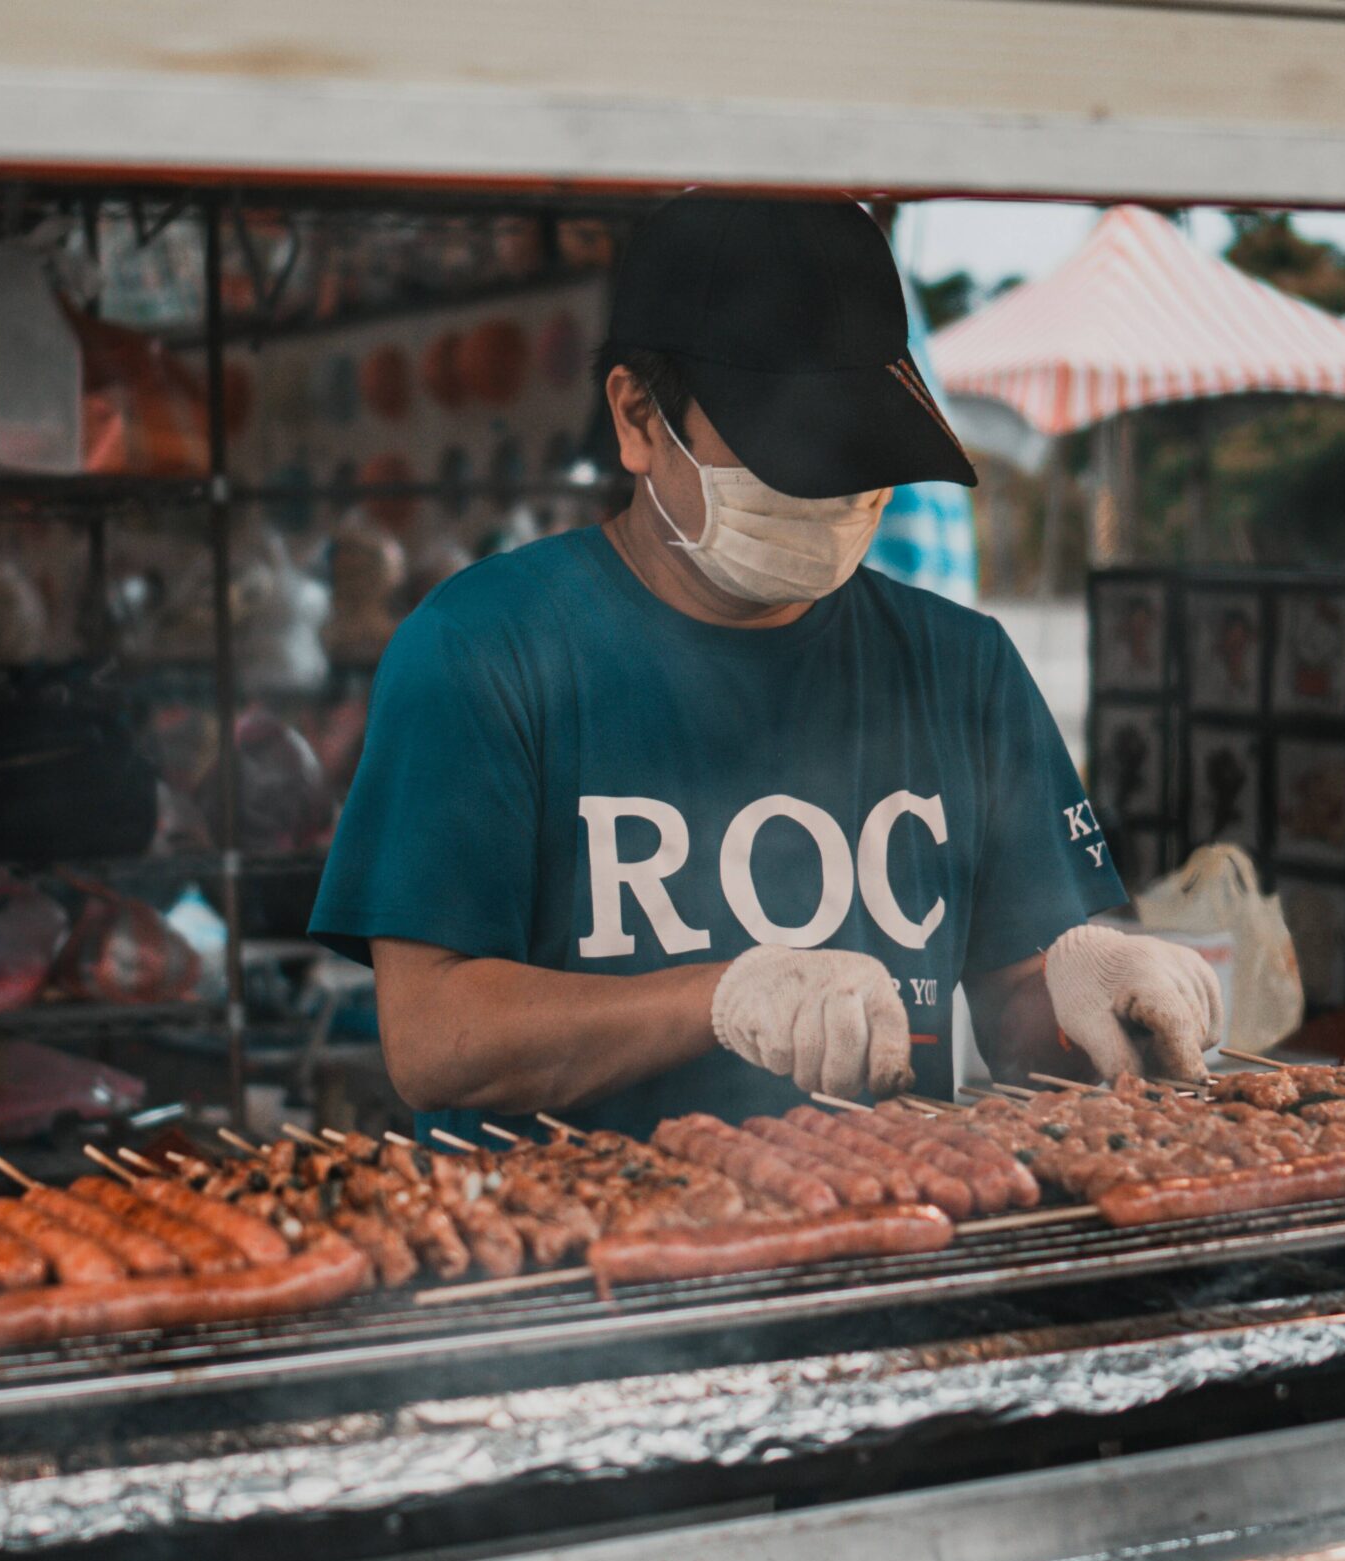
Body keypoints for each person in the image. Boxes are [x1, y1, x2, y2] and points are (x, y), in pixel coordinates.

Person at [310, 193, 1220, 1139]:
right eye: (788, 455)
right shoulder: (486, 651)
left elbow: (1018, 1011)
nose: (831, 490)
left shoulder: (964, 670)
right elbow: (432, 1037)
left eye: (857, 451)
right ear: (637, 417)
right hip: (577, 1272)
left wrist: (1080, 982)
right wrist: (717, 999)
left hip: (888, 1239)